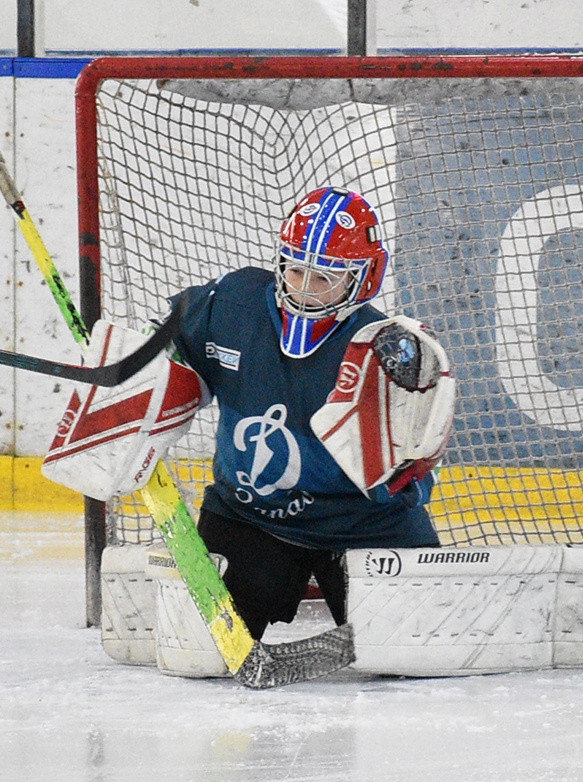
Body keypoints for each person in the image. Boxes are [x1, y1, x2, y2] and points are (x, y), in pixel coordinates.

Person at [159, 185, 452, 640]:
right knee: (203, 647)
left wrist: (400, 472)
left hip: (365, 526)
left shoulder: (389, 352)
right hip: (251, 519)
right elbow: (166, 346)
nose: (303, 289)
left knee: (412, 647)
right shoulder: (231, 305)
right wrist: (134, 390)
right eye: (296, 270)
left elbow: (413, 478)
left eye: (323, 279)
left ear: (363, 277)